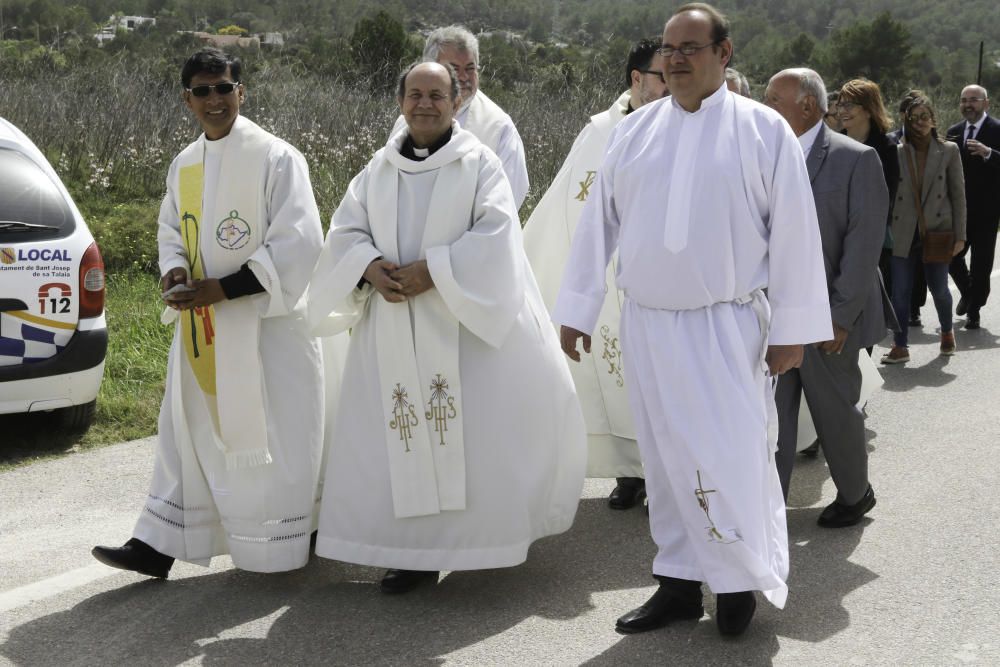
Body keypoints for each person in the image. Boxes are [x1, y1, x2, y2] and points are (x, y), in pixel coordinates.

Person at [555, 4, 831, 637]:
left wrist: (792, 331)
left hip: (725, 326)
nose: (675, 59)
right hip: (649, 323)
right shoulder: (634, 131)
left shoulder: (764, 131)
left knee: (731, 455)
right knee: (664, 456)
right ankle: (677, 583)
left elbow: (794, 234)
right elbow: (599, 225)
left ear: (723, 53)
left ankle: (737, 584)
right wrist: (577, 308)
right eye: (668, 50)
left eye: (690, 48)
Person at [306, 62, 586, 595]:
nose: (425, 104)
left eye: (437, 95)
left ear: (457, 103)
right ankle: (409, 556)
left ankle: (474, 546)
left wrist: (432, 270)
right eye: (415, 94)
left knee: (470, 441)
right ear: (400, 101)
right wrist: (367, 266)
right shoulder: (378, 169)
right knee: (400, 440)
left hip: (462, 331)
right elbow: (344, 231)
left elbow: (498, 234)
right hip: (391, 324)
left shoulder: (479, 165)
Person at [91, 48, 325, 577]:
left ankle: (287, 539)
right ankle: (159, 542)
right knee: (186, 435)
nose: (215, 99)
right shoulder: (185, 164)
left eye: (224, 88)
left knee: (274, 438)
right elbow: (170, 230)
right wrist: (174, 272)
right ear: (186, 100)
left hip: (267, 329)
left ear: (243, 93)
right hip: (202, 326)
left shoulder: (278, 158)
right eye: (203, 91)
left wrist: (228, 288)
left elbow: (300, 242)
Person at [523, 38, 667, 512]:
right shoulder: (599, 132)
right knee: (614, 379)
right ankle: (630, 473)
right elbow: (567, 204)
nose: (671, 84)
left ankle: (666, 478)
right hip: (607, 284)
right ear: (637, 79)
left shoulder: (682, 124)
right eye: (662, 75)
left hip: (659, 281)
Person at [766, 69, 889, 525]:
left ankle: (856, 495)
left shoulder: (855, 159)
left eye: (774, 100)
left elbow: (863, 246)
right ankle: (770, 506)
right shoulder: (765, 155)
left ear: (807, 106)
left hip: (828, 317)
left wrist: (839, 317)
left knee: (835, 414)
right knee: (773, 418)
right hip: (775, 316)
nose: (766, 108)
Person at [389, 26, 529, 209]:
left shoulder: (499, 128)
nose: (463, 77)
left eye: (470, 68)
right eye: (453, 69)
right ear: (429, 68)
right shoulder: (407, 121)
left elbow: (507, 202)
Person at [882, 95, 966, 364]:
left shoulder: (949, 150)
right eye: (914, 117)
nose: (920, 122)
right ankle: (900, 344)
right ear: (906, 120)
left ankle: (947, 331)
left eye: (924, 116)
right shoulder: (896, 150)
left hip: (937, 230)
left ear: (933, 119)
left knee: (940, 288)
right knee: (900, 292)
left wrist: (960, 235)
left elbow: (958, 195)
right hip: (903, 230)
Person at [836, 78, 900, 340]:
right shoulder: (833, 143)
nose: (842, 110)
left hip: (870, 243)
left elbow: (886, 200)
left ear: (868, 107)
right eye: (840, 104)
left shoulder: (886, 148)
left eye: (850, 104)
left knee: (861, 313)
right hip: (832, 238)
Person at [946, 85, 1000, 330]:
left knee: (982, 263)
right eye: (964, 99)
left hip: (988, 211)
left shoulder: (997, 130)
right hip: (958, 211)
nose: (968, 104)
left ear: (986, 103)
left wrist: (989, 153)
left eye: (974, 100)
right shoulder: (954, 132)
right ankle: (968, 292)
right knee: (950, 256)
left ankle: (974, 311)